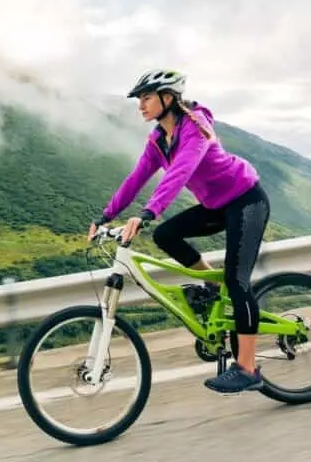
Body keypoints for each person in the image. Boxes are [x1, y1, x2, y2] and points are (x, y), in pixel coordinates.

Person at [89, 68, 270, 394]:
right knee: (165, 235)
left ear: (168, 98)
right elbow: (136, 178)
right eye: (140, 99)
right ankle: (211, 288)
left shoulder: (196, 127)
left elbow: (181, 171)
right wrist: (105, 216)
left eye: (146, 98)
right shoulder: (159, 140)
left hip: (246, 201)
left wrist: (147, 213)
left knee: (237, 280)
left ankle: (248, 367)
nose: (140, 105)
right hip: (217, 206)